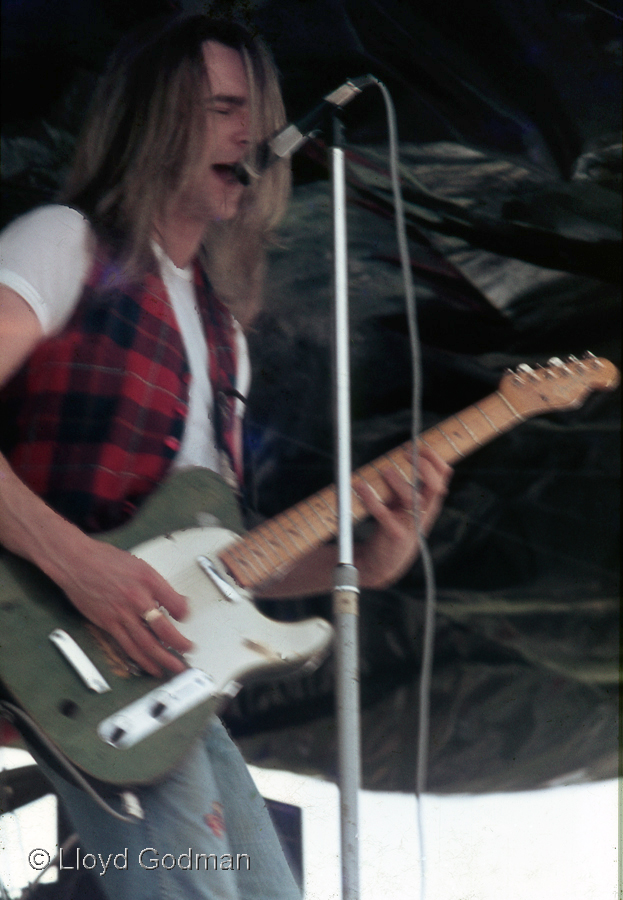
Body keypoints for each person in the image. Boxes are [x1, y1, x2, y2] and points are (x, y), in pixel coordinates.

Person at [0, 14, 451, 900]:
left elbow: (213, 573)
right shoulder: (63, 244)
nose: (251, 136)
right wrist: (79, 564)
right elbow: (111, 570)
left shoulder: (220, 334)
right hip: (43, 637)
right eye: (221, 109)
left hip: (157, 683)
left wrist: (362, 562)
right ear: (153, 120)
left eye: (258, 112)